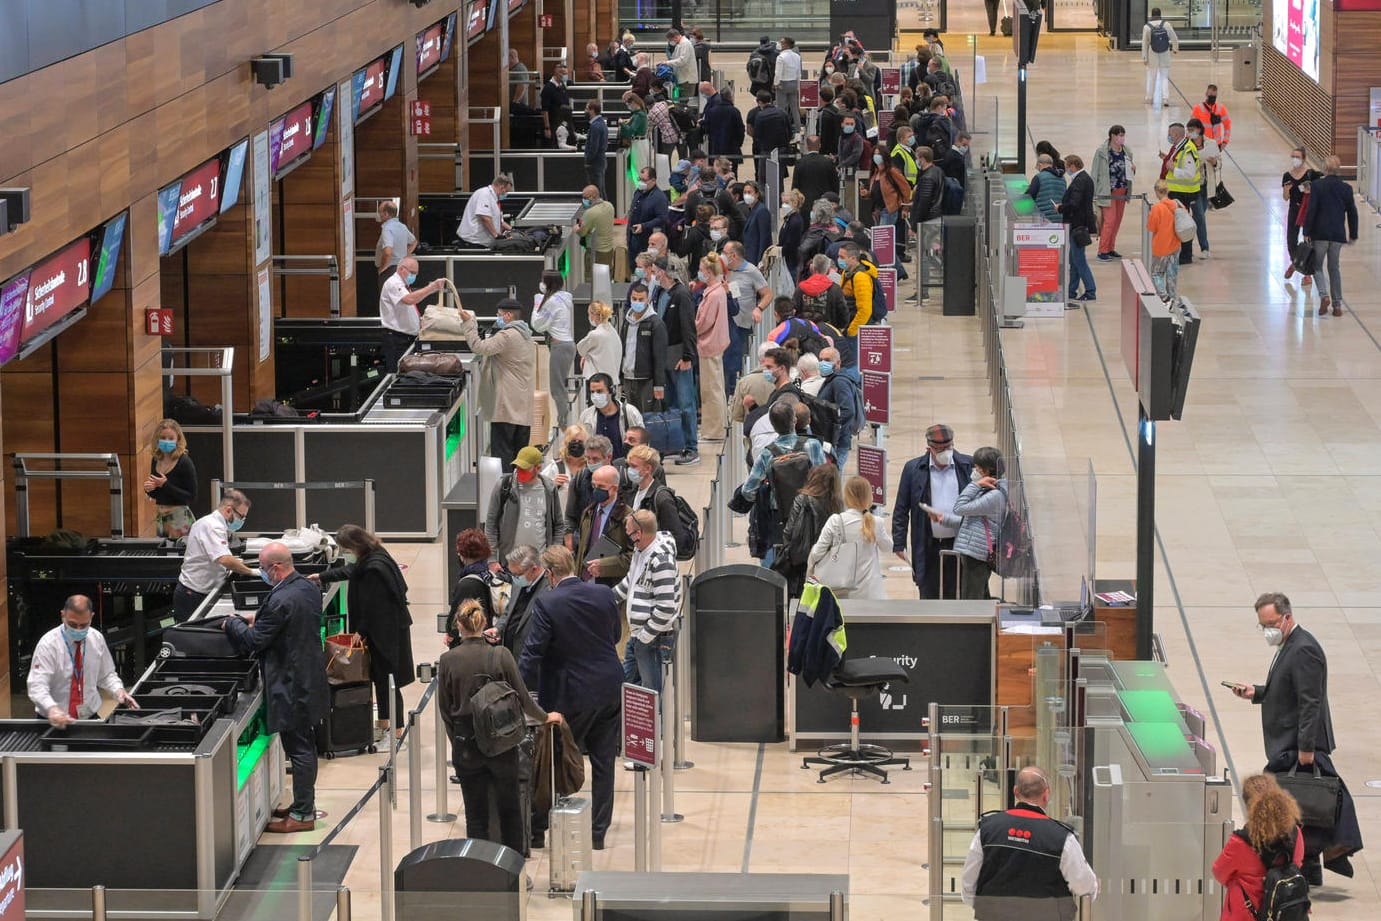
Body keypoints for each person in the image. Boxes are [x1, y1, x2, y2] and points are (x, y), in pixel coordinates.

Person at [1229, 592, 1363, 881]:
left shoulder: (1303, 650)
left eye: (1271, 623)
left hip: (1297, 745)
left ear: (1287, 617)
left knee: (1283, 801)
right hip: (1290, 742)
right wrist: (1257, 692)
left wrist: (1306, 748)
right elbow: (1287, 690)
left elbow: (1309, 702)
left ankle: (1308, 861)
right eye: (1262, 625)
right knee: (1301, 805)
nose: (1268, 631)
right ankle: (1310, 866)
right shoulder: (1290, 645)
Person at [518, 545, 623, 851]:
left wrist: (521, 693)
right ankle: (597, 834)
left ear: (550, 574)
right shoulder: (604, 594)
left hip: (570, 694)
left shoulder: (547, 602)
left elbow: (532, 653)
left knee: (552, 760)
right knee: (604, 762)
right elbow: (614, 635)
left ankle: (538, 830)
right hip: (609, 687)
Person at [439, 598, 560, 855]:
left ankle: (480, 871)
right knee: (510, 810)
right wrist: (544, 716)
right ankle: (513, 868)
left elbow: (446, 711)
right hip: (503, 743)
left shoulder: (448, 660)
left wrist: (458, 743)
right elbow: (523, 697)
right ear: (484, 623)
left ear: (459, 625)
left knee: (475, 814)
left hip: (466, 744)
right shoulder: (501, 655)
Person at [224, 541, 329, 833]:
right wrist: (260, 620)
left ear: (277, 568)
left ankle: (303, 815)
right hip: (309, 676)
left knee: (299, 748)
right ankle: (301, 805)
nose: (262, 572)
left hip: (292, 684)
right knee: (303, 744)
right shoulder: (307, 588)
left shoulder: (281, 599)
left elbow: (254, 642)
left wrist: (232, 625)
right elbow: (288, 622)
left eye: (264, 567)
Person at [315, 525, 414, 738]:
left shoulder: (373, 569)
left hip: (385, 634)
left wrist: (360, 630)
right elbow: (350, 571)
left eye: (345, 549)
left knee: (388, 680)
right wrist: (321, 576)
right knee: (379, 676)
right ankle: (385, 722)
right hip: (385, 630)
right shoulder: (374, 555)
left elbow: (373, 605)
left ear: (354, 545)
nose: (345, 553)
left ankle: (396, 732)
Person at [961, 766, 1099, 918]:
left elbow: (968, 884)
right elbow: (1085, 887)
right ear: (1046, 795)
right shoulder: (1062, 837)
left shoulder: (988, 829)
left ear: (1015, 792)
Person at [30, 594, 138, 727]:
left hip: (89, 717)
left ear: (92, 617)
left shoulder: (96, 639)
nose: (78, 629)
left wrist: (119, 691)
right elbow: (37, 685)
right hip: (53, 719)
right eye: (72, 624)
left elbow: (106, 675)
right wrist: (52, 708)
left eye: (83, 625)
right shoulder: (48, 645)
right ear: (62, 615)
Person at [893, 424, 974, 599]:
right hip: (927, 544)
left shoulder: (968, 466)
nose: (945, 452)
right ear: (929, 449)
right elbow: (901, 508)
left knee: (960, 592)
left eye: (948, 447)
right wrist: (899, 542)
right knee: (929, 593)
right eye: (940, 449)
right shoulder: (913, 469)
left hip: (960, 543)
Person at [1212, 773, 1306, 921]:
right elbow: (1297, 865)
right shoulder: (1295, 833)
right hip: (1286, 911)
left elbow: (1219, 872)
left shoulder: (1240, 842)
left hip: (1246, 914)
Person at [456, 297, 535, 467]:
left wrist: (469, 325)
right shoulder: (526, 334)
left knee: (503, 452)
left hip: (506, 406)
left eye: (499, 315)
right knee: (519, 454)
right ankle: (518, 487)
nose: (497, 318)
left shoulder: (507, 335)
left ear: (508, 315)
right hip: (522, 406)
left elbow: (479, 347)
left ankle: (504, 490)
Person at [924, 446, 1007, 600]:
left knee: (972, 598)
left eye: (978, 468)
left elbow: (959, 508)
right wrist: (944, 519)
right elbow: (973, 521)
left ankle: (976, 624)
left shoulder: (994, 495)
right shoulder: (989, 491)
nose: (974, 471)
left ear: (987, 471)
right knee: (978, 595)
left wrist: (975, 485)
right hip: (974, 550)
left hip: (977, 553)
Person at [614, 509, 682, 693]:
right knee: (627, 688)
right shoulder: (640, 551)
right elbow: (631, 581)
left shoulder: (661, 560)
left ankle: (658, 722)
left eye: (629, 532)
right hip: (638, 636)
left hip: (654, 640)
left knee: (653, 694)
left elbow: (667, 607)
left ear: (639, 533)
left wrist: (644, 638)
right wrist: (608, 599)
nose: (627, 536)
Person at [174, 489, 258, 619]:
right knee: (191, 636)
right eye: (241, 516)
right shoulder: (212, 526)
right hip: (193, 594)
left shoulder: (215, 524)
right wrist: (251, 572)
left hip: (201, 591)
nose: (242, 521)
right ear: (229, 510)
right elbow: (224, 559)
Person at [650, 256, 701, 465]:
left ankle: (691, 447)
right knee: (669, 404)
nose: (652, 275)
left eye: (654, 271)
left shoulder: (682, 295)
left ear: (663, 272)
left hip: (679, 355)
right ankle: (674, 443)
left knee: (685, 403)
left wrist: (688, 356)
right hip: (663, 356)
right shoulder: (659, 292)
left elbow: (689, 327)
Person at [809, 476, 890, 599]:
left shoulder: (835, 521)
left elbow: (817, 553)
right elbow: (888, 548)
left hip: (841, 592)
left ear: (846, 496)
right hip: (871, 593)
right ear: (869, 496)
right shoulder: (876, 522)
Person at [485, 446, 567, 564]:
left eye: (525, 468)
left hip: (540, 564)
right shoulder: (504, 486)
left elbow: (559, 525)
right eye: (518, 467)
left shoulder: (549, 489)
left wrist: (554, 554)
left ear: (538, 467)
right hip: (509, 562)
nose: (520, 471)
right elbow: (491, 524)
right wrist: (492, 559)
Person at [1303, 155, 1359, 318]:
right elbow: (1352, 213)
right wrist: (1353, 233)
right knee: (1334, 268)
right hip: (1337, 235)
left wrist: (1306, 231)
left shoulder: (1317, 186)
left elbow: (1311, 210)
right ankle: (1337, 305)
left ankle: (1323, 295)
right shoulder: (1346, 189)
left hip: (1319, 234)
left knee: (1317, 266)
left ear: (1325, 169)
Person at [776, 463, 841, 598]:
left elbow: (789, 531)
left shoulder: (802, 499)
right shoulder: (838, 504)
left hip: (802, 560)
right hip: (829, 561)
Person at [377, 256, 445, 371]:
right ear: (401, 269)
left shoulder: (404, 286)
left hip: (407, 339)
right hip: (396, 339)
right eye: (412, 272)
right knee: (397, 373)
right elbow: (409, 300)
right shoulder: (393, 283)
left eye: (416, 273)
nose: (414, 276)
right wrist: (431, 287)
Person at [723, 240, 773, 392]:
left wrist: (758, 309)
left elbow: (768, 294)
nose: (722, 256)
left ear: (734, 255)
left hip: (742, 324)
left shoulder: (750, 271)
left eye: (725, 253)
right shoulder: (724, 270)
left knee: (737, 365)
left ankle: (737, 393)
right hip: (724, 324)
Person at [445, 529, 508, 646]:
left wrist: (450, 634)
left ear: (463, 554)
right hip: (488, 639)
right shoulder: (488, 574)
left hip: (470, 645)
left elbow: (456, 617)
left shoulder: (466, 584)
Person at [531, 270, 577, 426]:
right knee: (559, 386)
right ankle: (564, 420)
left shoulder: (552, 302)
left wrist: (537, 304)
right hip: (566, 346)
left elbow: (538, 324)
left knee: (557, 389)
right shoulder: (564, 298)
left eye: (543, 281)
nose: (541, 284)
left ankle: (564, 423)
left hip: (560, 347)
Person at [574, 465, 633, 586]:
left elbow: (634, 557)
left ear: (614, 488)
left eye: (601, 487)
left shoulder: (628, 517)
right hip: (584, 582)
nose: (596, 490)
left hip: (610, 586)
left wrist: (605, 566)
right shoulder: (588, 513)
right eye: (594, 486)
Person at [694, 252, 731, 440]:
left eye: (701, 270)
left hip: (710, 344)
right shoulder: (717, 292)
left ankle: (713, 430)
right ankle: (718, 426)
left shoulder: (714, 294)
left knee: (710, 390)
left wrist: (691, 329)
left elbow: (704, 322)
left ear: (708, 272)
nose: (699, 273)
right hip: (714, 344)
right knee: (715, 387)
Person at [495, 544, 551, 658]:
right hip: (509, 654)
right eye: (512, 574)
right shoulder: (518, 583)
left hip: (530, 658)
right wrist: (497, 628)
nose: (514, 578)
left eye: (517, 574)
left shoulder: (549, 590)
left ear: (534, 569)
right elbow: (508, 611)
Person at [144, 418, 197, 538]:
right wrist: (150, 489)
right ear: (157, 439)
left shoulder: (184, 462)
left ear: (178, 439)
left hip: (179, 518)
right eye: (163, 438)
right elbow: (158, 494)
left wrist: (165, 485)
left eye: (170, 438)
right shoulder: (156, 459)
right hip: (161, 517)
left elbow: (191, 496)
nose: (166, 441)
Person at [620, 282, 668, 413]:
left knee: (646, 419)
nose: (637, 302)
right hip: (628, 378)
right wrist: (620, 379)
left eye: (641, 299)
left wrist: (659, 385)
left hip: (647, 380)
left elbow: (660, 357)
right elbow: (622, 350)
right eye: (634, 299)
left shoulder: (656, 323)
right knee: (629, 418)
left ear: (648, 300)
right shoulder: (626, 322)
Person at [1091, 126, 1135, 261]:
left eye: (1123, 135)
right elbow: (1095, 172)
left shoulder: (1127, 151)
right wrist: (1093, 194)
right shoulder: (1102, 152)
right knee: (1109, 221)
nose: (1121, 138)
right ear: (1112, 136)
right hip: (1107, 192)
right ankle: (1102, 250)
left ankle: (1110, 247)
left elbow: (1129, 170)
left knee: (1116, 221)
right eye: (1119, 135)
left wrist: (1133, 169)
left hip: (1122, 190)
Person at [1162, 122, 1202, 265]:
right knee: (1176, 224)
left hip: (1184, 193)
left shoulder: (1188, 149)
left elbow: (1190, 173)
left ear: (1177, 134)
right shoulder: (1179, 147)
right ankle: (1179, 252)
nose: (1169, 136)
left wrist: (1173, 169)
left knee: (1183, 224)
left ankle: (1185, 255)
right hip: (1177, 192)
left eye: (1170, 134)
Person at [1058, 154, 1097, 302]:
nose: (1066, 169)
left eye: (1067, 166)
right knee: (1073, 260)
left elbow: (1074, 204)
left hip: (1077, 225)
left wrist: (1061, 207)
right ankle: (1071, 290)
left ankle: (1090, 291)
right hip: (1079, 225)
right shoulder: (1084, 178)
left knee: (1079, 260)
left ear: (1073, 166)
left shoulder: (1080, 181)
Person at [1281, 148, 1322, 286]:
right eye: (1293, 156)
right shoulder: (1287, 176)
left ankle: (1307, 274)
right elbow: (1286, 198)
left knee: (1309, 242)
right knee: (1291, 241)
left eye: (1297, 156)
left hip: (1308, 210)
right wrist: (1286, 190)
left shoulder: (1311, 174)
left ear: (1303, 158)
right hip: (1294, 209)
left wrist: (1310, 190)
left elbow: (1319, 191)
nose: (1294, 159)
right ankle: (1295, 263)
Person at [579, 373, 643, 460]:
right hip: (597, 468)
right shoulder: (586, 416)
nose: (595, 396)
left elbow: (643, 443)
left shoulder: (630, 412)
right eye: (592, 392)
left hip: (623, 466)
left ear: (611, 391)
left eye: (599, 391)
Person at [816, 346, 859, 466]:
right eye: (821, 359)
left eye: (828, 360)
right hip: (831, 442)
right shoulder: (831, 379)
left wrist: (833, 432)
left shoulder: (840, 382)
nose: (823, 363)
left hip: (837, 444)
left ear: (838, 363)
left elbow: (848, 411)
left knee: (834, 479)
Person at [837, 242, 876, 375]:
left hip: (856, 328)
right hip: (849, 324)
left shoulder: (860, 277)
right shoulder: (847, 272)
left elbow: (865, 309)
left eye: (842, 257)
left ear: (853, 258)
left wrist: (852, 330)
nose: (839, 260)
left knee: (853, 365)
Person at [1145, 180, 1184, 302]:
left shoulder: (1157, 208)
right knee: (1172, 273)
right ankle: (1172, 297)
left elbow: (1151, 227)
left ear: (1157, 192)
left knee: (1157, 273)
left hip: (1161, 247)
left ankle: (1164, 298)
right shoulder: (1177, 205)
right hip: (1175, 245)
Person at [543, 424, 591, 515]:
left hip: (585, 521)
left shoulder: (590, 468)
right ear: (566, 442)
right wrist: (552, 485)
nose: (576, 444)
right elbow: (537, 491)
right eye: (573, 441)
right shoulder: (556, 467)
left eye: (580, 441)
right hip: (563, 522)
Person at [747, 91, 791, 187]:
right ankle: (779, 199)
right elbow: (789, 132)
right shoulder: (782, 113)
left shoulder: (760, 115)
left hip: (766, 151)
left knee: (763, 180)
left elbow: (757, 135)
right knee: (779, 179)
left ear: (759, 102)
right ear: (771, 100)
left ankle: (764, 200)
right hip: (781, 150)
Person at [458, 174, 514, 247]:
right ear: (501, 187)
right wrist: (496, 235)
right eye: (506, 191)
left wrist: (513, 231)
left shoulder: (494, 199)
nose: (505, 194)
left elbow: (500, 223)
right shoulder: (484, 194)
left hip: (482, 242)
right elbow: (485, 218)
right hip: (474, 242)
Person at [627, 166, 668, 264]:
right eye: (639, 179)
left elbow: (662, 218)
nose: (641, 182)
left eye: (644, 180)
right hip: (633, 237)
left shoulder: (659, 198)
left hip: (646, 241)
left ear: (653, 180)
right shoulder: (638, 192)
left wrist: (644, 226)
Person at [792, 135, 839, 220]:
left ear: (807, 146)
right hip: (824, 205)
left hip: (805, 206)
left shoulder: (800, 163)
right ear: (820, 145)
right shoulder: (828, 163)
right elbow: (835, 185)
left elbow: (795, 187)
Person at [577, 302, 621, 388]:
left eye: (589, 314)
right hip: (611, 380)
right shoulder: (613, 332)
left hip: (596, 380)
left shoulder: (595, 334)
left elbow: (580, 348)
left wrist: (585, 355)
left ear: (593, 315)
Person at [1142, 8, 1178, 109]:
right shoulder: (1166, 25)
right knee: (1164, 77)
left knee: (1151, 77)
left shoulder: (1147, 27)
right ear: (1160, 15)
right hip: (1165, 54)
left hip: (1152, 54)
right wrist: (1175, 48)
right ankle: (1165, 98)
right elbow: (1174, 37)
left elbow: (1145, 44)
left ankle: (1149, 98)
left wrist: (1144, 57)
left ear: (1151, 15)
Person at [374, 199, 416, 282]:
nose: (378, 215)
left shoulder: (387, 229)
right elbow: (414, 242)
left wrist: (382, 269)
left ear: (386, 214)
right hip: (402, 268)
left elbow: (387, 252)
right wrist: (405, 255)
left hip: (389, 270)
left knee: (387, 295)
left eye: (380, 212)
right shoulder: (402, 227)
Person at [576, 185, 616, 272]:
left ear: (591, 197)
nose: (583, 200)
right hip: (608, 250)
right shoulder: (610, 206)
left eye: (584, 197)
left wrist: (576, 228)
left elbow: (582, 232)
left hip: (595, 252)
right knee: (606, 276)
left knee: (592, 279)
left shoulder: (590, 213)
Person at [701, 86, 745, 162]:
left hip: (716, 147)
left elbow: (707, 128)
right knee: (732, 170)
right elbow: (740, 130)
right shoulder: (735, 111)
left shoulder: (712, 111)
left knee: (717, 169)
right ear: (730, 97)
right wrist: (738, 144)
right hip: (732, 148)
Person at [778, 189, 808, 282]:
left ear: (794, 203)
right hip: (787, 259)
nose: (784, 206)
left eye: (786, 203)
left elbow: (791, 243)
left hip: (791, 260)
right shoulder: (789, 218)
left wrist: (779, 250)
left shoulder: (795, 221)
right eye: (783, 203)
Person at [1026, 154, 1066, 223]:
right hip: (1059, 217)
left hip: (1044, 219)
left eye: (1037, 167)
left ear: (1040, 164)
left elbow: (1030, 195)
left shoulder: (1039, 177)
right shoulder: (1062, 178)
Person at [774, 37, 803, 135]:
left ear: (786, 45)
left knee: (781, 108)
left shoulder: (781, 57)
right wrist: (798, 85)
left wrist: (776, 83)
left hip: (783, 83)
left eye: (781, 42)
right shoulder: (797, 56)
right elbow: (799, 72)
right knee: (794, 108)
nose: (779, 44)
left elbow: (778, 73)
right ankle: (798, 128)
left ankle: (781, 128)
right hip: (794, 83)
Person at [539, 62, 571, 146]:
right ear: (557, 73)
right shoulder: (548, 88)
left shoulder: (562, 86)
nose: (566, 76)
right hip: (552, 124)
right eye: (564, 74)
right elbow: (545, 110)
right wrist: (547, 128)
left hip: (562, 124)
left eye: (566, 74)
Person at [1191, 83, 1231, 150]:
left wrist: (1225, 142)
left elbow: (1227, 126)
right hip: (1202, 144)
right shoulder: (1198, 108)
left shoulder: (1221, 108)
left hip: (1216, 145)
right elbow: (1191, 128)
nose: (1212, 98)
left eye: (1214, 96)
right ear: (1206, 94)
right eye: (1210, 95)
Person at [584, 102, 609, 197]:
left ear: (592, 110)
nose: (585, 111)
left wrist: (588, 160)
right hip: (600, 161)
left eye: (587, 109)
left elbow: (593, 147)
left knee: (597, 191)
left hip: (595, 162)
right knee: (601, 189)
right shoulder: (601, 123)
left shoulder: (595, 126)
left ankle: (603, 211)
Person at [665, 28, 697, 98]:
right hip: (682, 78)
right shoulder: (679, 44)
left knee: (685, 102)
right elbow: (674, 58)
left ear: (675, 37)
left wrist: (667, 63)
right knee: (681, 101)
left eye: (670, 40)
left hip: (687, 80)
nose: (671, 42)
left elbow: (682, 60)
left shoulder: (685, 44)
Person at [748, 34, 779, 100]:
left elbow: (748, 67)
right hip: (770, 83)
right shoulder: (775, 53)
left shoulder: (754, 53)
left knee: (761, 101)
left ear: (760, 42)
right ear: (768, 41)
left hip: (757, 83)